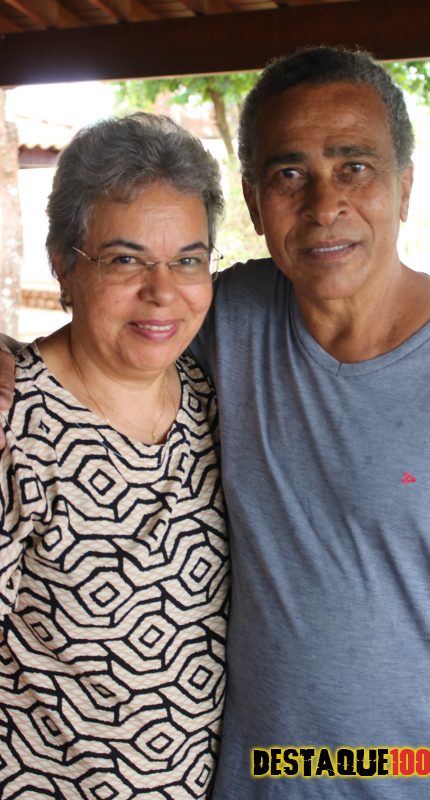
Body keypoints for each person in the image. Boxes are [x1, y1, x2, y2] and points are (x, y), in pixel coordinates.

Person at [1, 46, 430, 800]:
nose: (324, 205)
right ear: (254, 203)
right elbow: (115, 318)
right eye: (289, 174)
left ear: (405, 186)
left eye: (355, 166)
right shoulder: (225, 321)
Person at [0, 113, 228, 798]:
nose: (163, 291)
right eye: (126, 259)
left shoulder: (211, 398)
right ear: (63, 263)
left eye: (188, 259)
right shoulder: (14, 427)